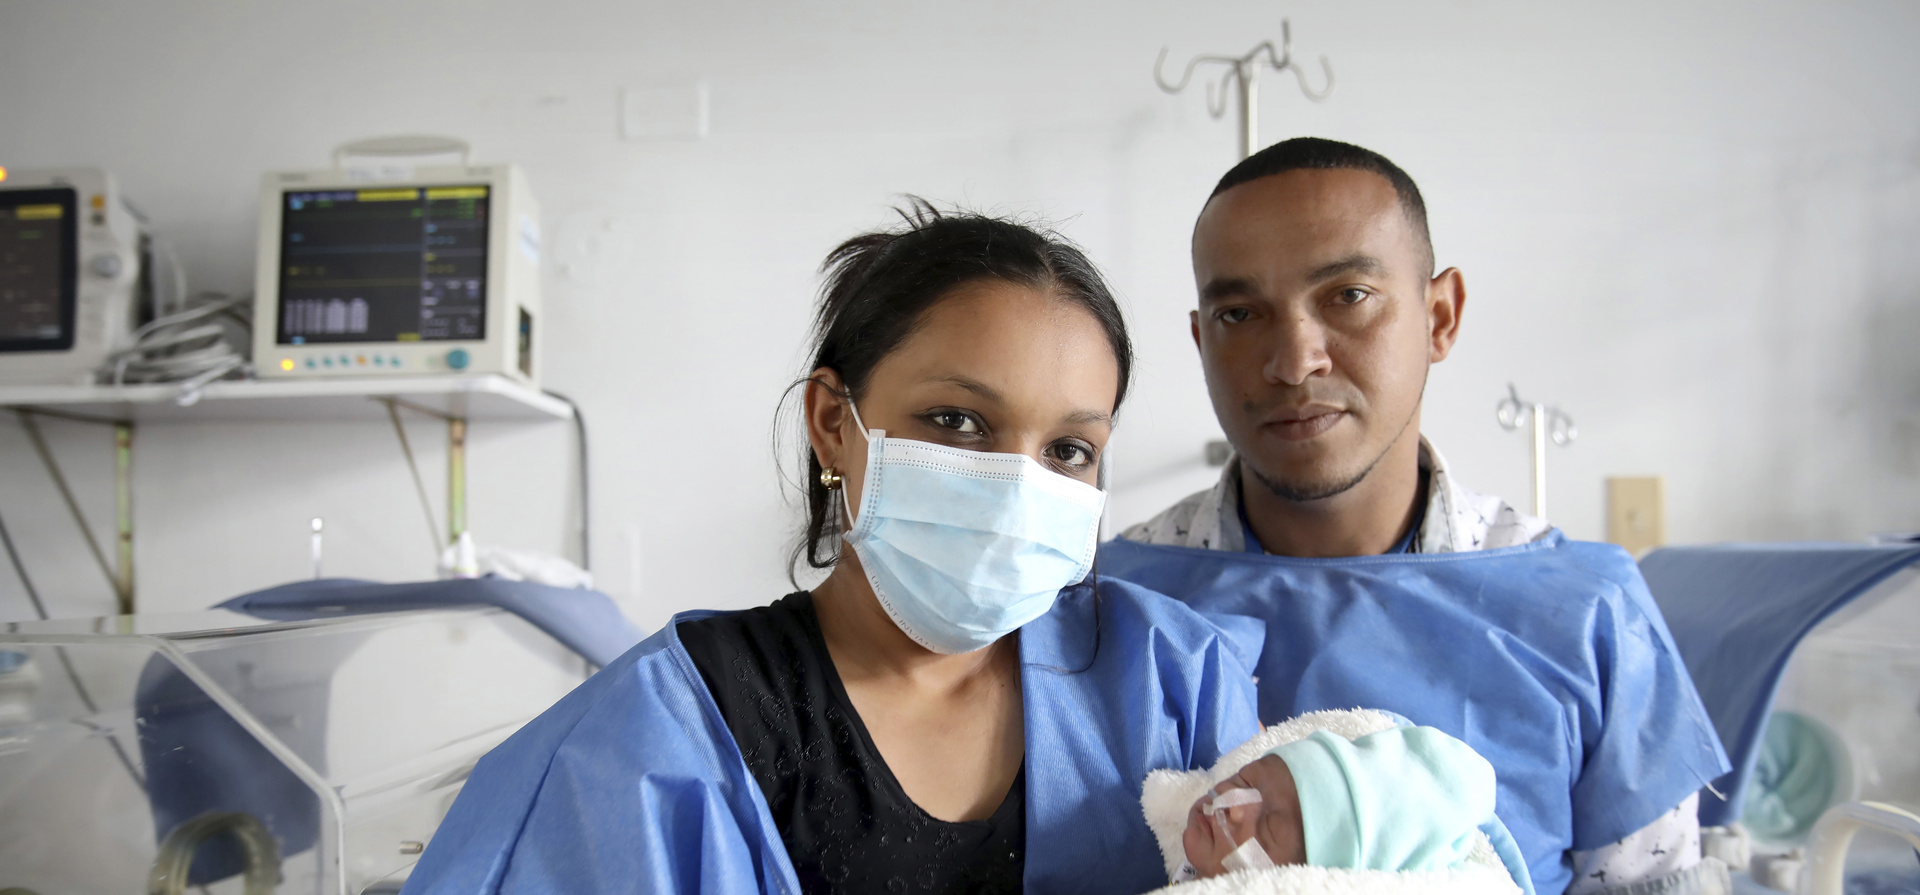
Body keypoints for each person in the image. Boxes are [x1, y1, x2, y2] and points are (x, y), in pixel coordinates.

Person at [401, 204, 1525, 895]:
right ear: (836, 422)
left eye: (1070, 448)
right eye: (958, 423)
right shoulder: (675, 733)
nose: (1014, 480)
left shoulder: (1171, 678)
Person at [1101, 138, 1731, 895]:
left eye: (1348, 296)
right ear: (1204, 343)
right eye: (1240, 312)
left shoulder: (1586, 614)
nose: (1295, 359)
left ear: (1440, 315)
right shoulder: (1113, 600)